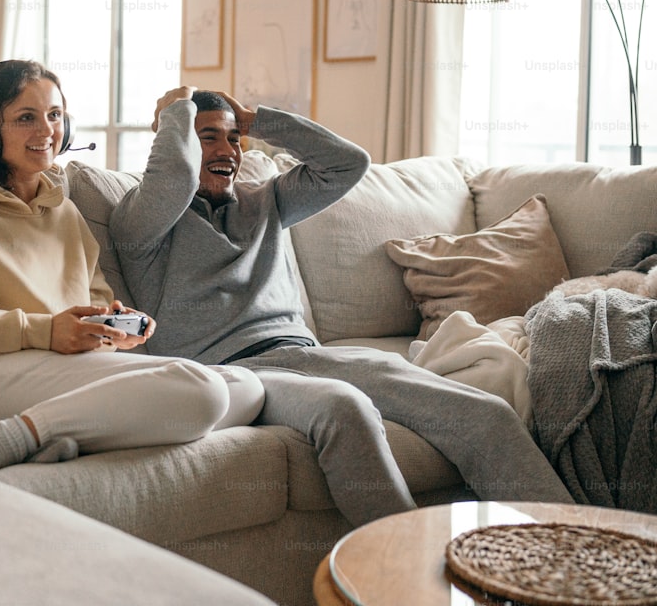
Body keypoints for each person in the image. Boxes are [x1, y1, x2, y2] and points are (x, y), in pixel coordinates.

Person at [109, 86, 575, 527]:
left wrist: (259, 120)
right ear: (179, 145)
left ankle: (574, 559)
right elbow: (170, 181)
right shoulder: (141, 223)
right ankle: (407, 576)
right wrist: (176, 110)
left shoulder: (264, 200)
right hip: (233, 374)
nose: (227, 150)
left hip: (307, 354)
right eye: (207, 138)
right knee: (345, 410)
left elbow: (348, 164)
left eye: (234, 139)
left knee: (484, 413)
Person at [0, 62, 264, 477]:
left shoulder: (65, 212)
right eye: (25, 118)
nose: (46, 131)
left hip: (59, 371)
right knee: (204, 390)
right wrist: (43, 330)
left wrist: (112, 327)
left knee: (246, 389)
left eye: (54, 115)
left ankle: (57, 436)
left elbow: (94, 304)